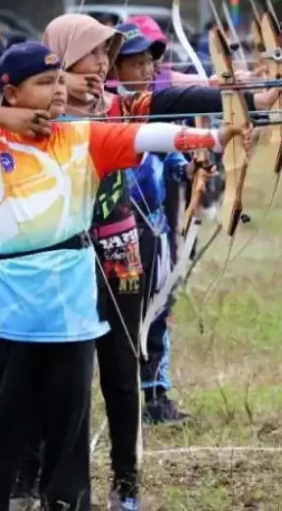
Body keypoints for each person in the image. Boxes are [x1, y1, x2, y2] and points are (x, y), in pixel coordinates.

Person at [0, 41, 247, 511]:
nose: (56, 92)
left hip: (71, 313)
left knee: (68, 432)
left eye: (59, 81)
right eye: (43, 83)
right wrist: (7, 120)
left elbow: (151, 137)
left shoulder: (86, 136)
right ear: (10, 92)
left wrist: (217, 139)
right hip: (11, 311)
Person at [6, 14, 282, 511]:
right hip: (51, 256)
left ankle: (126, 484)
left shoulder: (120, 105)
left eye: (104, 55)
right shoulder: (28, 115)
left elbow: (176, 101)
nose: (101, 65)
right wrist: (30, 102)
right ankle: (27, 480)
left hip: (119, 251)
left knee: (121, 367)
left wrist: (254, 101)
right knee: (40, 368)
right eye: (91, 55)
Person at [113, 22, 193, 425]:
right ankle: (124, 397)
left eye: (150, 62)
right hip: (114, 234)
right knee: (122, 318)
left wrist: (196, 162)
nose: (148, 70)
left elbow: (175, 152)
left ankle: (156, 396)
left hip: (154, 230)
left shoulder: (155, 108)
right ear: (112, 69)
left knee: (158, 312)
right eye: (137, 62)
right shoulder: (102, 112)